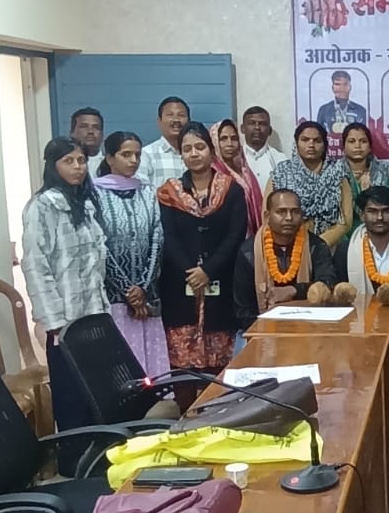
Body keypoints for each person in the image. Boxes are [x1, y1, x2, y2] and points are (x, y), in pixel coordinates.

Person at [21, 137, 107, 453]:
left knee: (97, 391)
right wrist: (54, 321)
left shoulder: (85, 203)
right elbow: (35, 265)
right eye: (68, 161)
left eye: (81, 160)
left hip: (93, 315)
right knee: (71, 395)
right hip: (64, 321)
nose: (77, 167)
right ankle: (74, 461)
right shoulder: (41, 206)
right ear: (53, 166)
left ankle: (99, 456)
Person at [157, 121, 246, 375]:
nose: (194, 153)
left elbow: (236, 235)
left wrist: (208, 270)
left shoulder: (231, 190)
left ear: (211, 150)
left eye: (200, 147)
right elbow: (168, 236)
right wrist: (190, 272)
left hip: (222, 281)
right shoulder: (169, 192)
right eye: (187, 149)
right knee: (183, 371)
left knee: (220, 370)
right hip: (179, 285)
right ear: (181, 154)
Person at [93, 130, 169, 377]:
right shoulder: (95, 195)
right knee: (124, 365)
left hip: (147, 296)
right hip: (116, 296)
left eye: (137, 155)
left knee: (152, 367)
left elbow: (157, 238)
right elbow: (100, 246)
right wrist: (128, 291)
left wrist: (143, 288)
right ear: (109, 158)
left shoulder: (146, 191)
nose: (133, 160)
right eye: (126, 155)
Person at [233, 188, 338, 334]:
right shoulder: (248, 252)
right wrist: (271, 334)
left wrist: (293, 290)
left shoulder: (316, 246)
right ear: (267, 216)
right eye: (281, 212)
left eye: (295, 212)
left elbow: (327, 284)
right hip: (262, 331)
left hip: (310, 330)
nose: (289, 217)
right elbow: (243, 310)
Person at [270, 120, 353, 249]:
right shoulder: (281, 173)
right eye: (305, 140)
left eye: (317, 141)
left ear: (325, 145)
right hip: (288, 246)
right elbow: (268, 214)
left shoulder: (337, 173)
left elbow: (345, 221)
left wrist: (318, 246)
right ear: (296, 143)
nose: (311, 145)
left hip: (329, 248)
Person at [341, 122, 389, 229]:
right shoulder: (334, 174)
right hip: (342, 235)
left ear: (370, 147)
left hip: (379, 232)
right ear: (343, 147)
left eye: (363, 141)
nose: (358, 146)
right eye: (351, 141)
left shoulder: (384, 173)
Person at [210, 119, 264, 237]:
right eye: (223, 139)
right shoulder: (212, 173)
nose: (229, 143)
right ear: (214, 142)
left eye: (234, 138)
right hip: (224, 236)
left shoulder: (245, 171)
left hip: (249, 236)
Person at [139, 96, 191, 187]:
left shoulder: (196, 154)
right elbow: (141, 191)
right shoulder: (146, 154)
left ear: (189, 121)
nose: (176, 120)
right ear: (159, 121)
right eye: (170, 115)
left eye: (181, 115)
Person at [240, 105, 286, 191]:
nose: (257, 127)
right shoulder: (234, 159)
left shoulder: (281, 161)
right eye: (252, 123)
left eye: (262, 124)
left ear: (270, 131)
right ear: (242, 128)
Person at [316, 70, 368, 134]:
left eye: (345, 84)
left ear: (350, 87)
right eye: (337, 84)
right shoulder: (323, 110)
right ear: (333, 88)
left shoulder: (361, 111)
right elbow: (318, 134)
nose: (342, 88)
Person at [70, 107, 104, 177]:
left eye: (96, 127)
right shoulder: (63, 164)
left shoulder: (113, 164)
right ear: (72, 133)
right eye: (84, 126)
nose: (90, 131)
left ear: (102, 134)